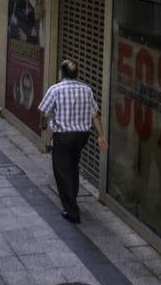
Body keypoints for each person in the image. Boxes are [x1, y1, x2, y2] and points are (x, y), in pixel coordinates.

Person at [37, 59, 108, 224]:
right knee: (73, 166)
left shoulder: (55, 89)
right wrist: (101, 135)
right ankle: (72, 199)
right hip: (82, 136)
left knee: (62, 171)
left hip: (64, 136)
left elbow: (44, 112)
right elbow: (95, 114)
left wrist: (43, 125)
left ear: (61, 73)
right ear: (77, 74)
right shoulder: (87, 90)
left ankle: (72, 211)